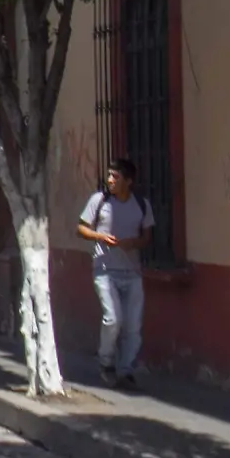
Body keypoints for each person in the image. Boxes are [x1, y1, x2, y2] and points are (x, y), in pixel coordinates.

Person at [78, 157, 154, 389]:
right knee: (113, 319)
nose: (110, 180)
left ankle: (126, 370)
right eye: (109, 175)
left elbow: (147, 237)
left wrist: (135, 242)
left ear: (128, 181)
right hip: (104, 270)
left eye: (116, 176)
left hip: (132, 272)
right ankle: (106, 362)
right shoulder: (99, 201)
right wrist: (100, 237)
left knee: (132, 326)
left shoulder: (141, 204)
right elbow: (81, 228)